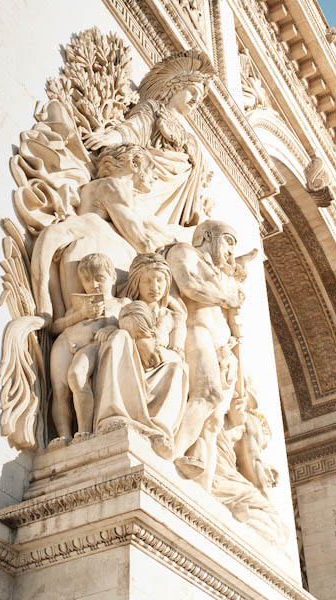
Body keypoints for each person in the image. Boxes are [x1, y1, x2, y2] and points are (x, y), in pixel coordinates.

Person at [82, 50, 216, 229]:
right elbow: (133, 128)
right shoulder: (154, 109)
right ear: (176, 87)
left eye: (198, 99)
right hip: (145, 177)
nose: (194, 100)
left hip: (170, 201)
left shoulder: (191, 142)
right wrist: (109, 137)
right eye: (192, 92)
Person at [166, 220, 250, 489]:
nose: (231, 252)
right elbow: (188, 285)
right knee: (208, 394)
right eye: (228, 242)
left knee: (214, 423)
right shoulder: (184, 252)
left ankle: (202, 488)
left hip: (223, 350)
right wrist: (227, 297)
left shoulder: (222, 276)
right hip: (196, 331)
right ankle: (171, 455)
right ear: (208, 235)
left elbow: (235, 327)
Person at [92, 254, 188, 458]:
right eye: (148, 280)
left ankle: (159, 431)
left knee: (178, 369)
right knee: (119, 337)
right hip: (129, 364)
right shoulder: (123, 306)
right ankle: (113, 416)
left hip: (158, 368)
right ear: (136, 282)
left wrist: (153, 350)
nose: (155, 286)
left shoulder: (173, 318)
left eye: (160, 280)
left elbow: (178, 354)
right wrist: (118, 331)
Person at [48, 253, 128, 446]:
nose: (94, 284)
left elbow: (131, 329)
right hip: (65, 343)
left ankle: (84, 432)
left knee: (76, 376)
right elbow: (54, 327)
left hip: (92, 346)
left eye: (100, 278)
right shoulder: (77, 307)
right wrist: (81, 314)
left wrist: (112, 328)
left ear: (113, 277)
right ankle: (64, 436)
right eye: (87, 280)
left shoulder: (121, 304)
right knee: (60, 390)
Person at [212, 381, 288, 543]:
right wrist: (270, 505)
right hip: (222, 478)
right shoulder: (251, 422)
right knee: (275, 526)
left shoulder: (226, 414)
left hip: (216, 471)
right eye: (263, 443)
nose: (262, 447)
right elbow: (254, 465)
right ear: (263, 429)